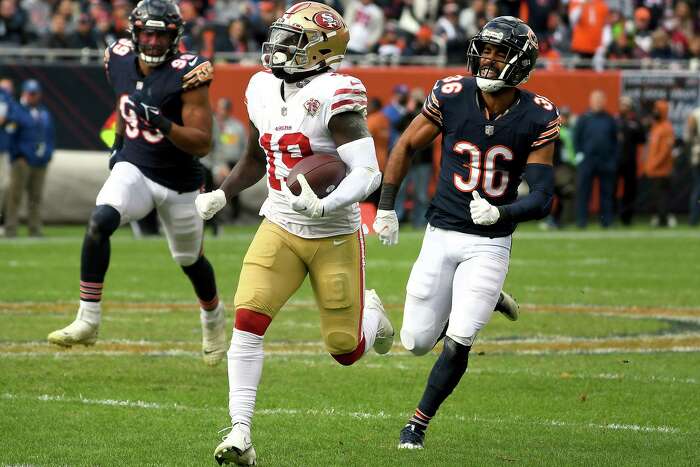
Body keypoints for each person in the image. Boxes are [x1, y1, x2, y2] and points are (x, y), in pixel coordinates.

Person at [194, 3, 394, 465]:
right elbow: (254, 157)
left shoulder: (336, 93)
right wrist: (221, 195)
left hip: (335, 233)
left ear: (322, 50)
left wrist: (324, 202)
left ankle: (373, 313)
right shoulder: (262, 86)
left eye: (293, 40)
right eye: (280, 36)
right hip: (281, 222)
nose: (280, 47)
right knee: (248, 321)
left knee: (345, 350)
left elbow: (368, 173)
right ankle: (241, 433)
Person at [373, 16, 557, 450]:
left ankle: (416, 425)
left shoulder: (538, 114)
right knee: (416, 342)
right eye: (485, 49)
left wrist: (501, 213)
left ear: (522, 61)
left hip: (490, 243)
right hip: (441, 231)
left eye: (500, 52)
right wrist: (386, 207)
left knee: (458, 340)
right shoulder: (451, 95)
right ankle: (489, 298)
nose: (488, 59)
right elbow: (405, 145)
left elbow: (545, 196)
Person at [46, 0, 227, 368]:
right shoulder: (118, 57)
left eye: (161, 35)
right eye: (147, 33)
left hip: (180, 182)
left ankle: (213, 320)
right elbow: (122, 103)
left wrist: (161, 123)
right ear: (134, 33)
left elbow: (202, 143)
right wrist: (118, 146)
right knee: (99, 221)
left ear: (175, 36)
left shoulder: (188, 72)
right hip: (137, 168)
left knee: (190, 260)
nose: (153, 42)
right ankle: (88, 319)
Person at [3, 79, 54, 238]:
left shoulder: (43, 112)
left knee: (36, 197)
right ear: (25, 93)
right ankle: (11, 229)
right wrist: (17, 156)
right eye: (31, 93)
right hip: (22, 161)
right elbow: (10, 136)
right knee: (14, 196)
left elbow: (50, 135)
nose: (34, 96)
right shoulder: (16, 111)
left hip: (40, 161)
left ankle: (35, 229)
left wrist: (48, 154)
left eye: (36, 93)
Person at [574, 90, 618, 228]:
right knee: (584, 192)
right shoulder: (583, 118)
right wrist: (579, 155)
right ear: (591, 101)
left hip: (605, 161)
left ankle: (606, 221)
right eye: (596, 99)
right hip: (587, 161)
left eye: (600, 99)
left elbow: (615, 141)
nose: (598, 102)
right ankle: (582, 221)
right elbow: (576, 139)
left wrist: (613, 160)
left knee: (606, 193)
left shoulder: (609, 119)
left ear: (604, 102)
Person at [643, 100, 675, 227]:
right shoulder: (655, 127)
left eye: (657, 110)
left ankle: (664, 219)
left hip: (662, 170)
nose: (654, 112)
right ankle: (659, 217)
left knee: (662, 197)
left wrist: (653, 164)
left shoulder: (667, 128)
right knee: (656, 197)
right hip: (653, 170)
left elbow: (665, 151)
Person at [617, 96, 646, 226]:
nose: (624, 107)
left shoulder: (635, 121)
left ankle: (627, 217)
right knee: (612, 189)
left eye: (626, 105)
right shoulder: (615, 120)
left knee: (630, 190)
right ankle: (611, 217)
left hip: (630, 161)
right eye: (622, 104)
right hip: (615, 160)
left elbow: (642, 139)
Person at [685, 104, 700, 226]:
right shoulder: (696, 114)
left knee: (697, 188)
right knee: (697, 188)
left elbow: (689, 137)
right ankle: (694, 218)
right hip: (698, 154)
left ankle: (693, 218)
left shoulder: (695, 113)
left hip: (697, 154)